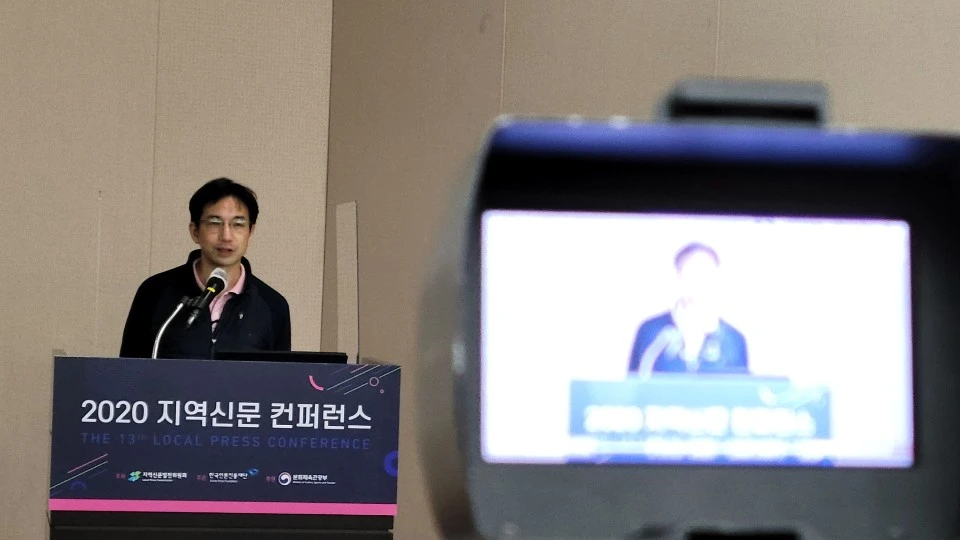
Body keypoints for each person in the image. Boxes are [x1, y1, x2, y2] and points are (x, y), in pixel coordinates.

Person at [120, 178, 291, 359]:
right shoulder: (154, 292)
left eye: (238, 224)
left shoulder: (272, 305)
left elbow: (279, 375)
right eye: (215, 223)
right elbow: (128, 370)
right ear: (195, 231)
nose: (226, 236)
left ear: (250, 232)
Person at [627, 242, 748, 376]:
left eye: (706, 273)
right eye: (692, 273)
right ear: (678, 278)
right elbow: (635, 384)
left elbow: (741, 387)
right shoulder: (650, 331)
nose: (700, 282)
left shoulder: (734, 340)